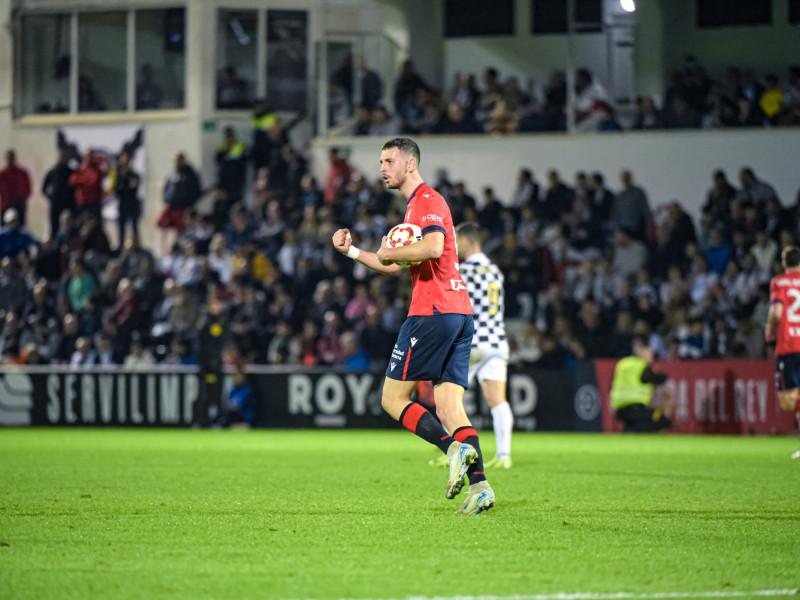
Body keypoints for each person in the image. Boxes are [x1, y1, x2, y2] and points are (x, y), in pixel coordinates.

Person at [331, 137, 494, 514]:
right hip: (458, 313)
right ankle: (481, 486)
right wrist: (353, 252)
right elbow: (392, 265)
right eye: (381, 161)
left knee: (392, 399)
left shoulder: (427, 201)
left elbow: (434, 247)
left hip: (432, 313)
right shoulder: (412, 210)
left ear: (409, 164)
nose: (382, 167)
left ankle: (453, 450)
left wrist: (391, 250)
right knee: (450, 410)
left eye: (389, 160)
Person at [429, 222, 514, 468]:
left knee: (447, 397)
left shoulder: (464, 271)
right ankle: (504, 456)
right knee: (498, 400)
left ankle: (453, 451)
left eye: (456, 241)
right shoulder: (496, 271)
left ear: (465, 241)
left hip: (473, 342)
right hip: (497, 341)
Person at [765, 246, 800, 458]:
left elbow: (777, 313)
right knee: (793, 398)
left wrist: (769, 331)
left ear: (784, 262)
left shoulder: (779, 282)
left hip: (788, 345)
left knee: (787, 400)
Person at [610, 335, 671, 433]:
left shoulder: (622, 363)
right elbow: (650, 378)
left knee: (635, 422)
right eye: (649, 354)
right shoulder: (640, 365)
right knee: (660, 418)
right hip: (635, 407)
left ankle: (628, 432)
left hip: (619, 408)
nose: (651, 358)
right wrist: (664, 376)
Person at [42, 149, 76, 237]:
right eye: (61, 156)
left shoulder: (71, 173)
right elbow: (44, 189)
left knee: (69, 228)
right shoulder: (53, 172)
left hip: (68, 204)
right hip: (55, 204)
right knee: (54, 227)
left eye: (65, 157)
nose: (63, 158)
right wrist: (51, 197)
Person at [114, 151, 141, 252]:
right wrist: (127, 186)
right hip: (123, 206)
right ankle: (121, 249)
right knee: (121, 230)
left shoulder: (134, 175)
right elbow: (117, 190)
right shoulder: (119, 175)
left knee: (134, 229)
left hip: (132, 205)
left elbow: (134, 188)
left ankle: (136, 247)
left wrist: (126, 187)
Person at [0, 150, 32, 226]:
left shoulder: (22, 173)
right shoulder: (2, 174)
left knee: (20, 228)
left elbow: (27, 188)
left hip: (19, 206)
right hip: (6, 206)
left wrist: (21, 199)